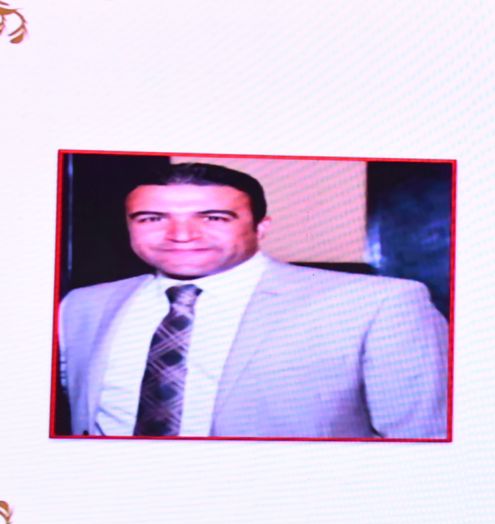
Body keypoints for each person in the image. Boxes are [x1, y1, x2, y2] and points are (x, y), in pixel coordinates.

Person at [56, 162, 449, 440]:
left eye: (213, 218)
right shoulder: (83, 306)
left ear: (261, 227)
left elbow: (419, 436)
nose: (181, 234)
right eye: (152, 218)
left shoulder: (376, 304)